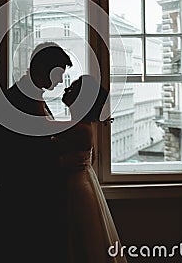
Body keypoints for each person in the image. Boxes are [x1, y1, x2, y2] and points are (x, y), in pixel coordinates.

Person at [0, 42, 73, 263]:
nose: (58, 82)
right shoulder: (17, 101)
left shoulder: (30, 97)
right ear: (43, 69)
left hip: (32, 195)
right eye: (57, 75)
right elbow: (30, 150)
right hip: (25, 200)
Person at [51, 74, 128, 263]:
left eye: (73, 89)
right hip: (81, 183)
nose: (66, 90)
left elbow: (43, 130)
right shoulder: (80, 126)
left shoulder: (80, 128)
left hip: (77, 188)